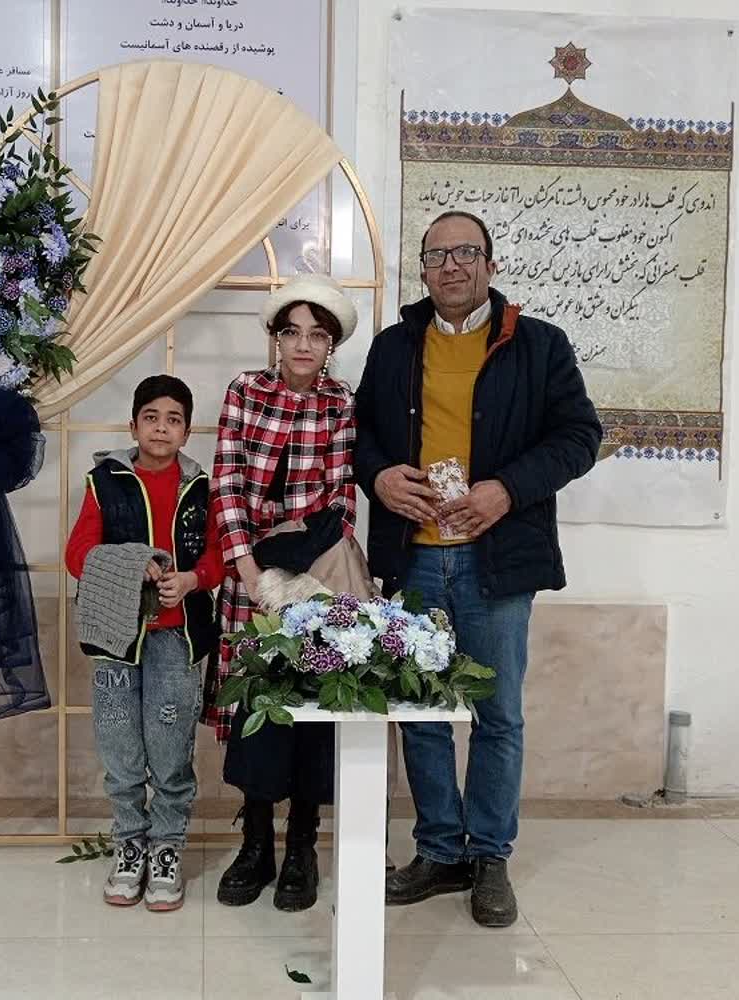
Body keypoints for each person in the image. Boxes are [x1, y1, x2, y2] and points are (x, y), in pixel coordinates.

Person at [354, 210, 602, 926]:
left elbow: (580, 436)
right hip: (414, 557)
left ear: (490, 265)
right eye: (436, 255)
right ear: (423, 272)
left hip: (497, 559)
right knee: (423, 713)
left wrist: (507, 489)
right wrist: (378, 477)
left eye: (465, 252)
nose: (451, 266)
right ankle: (439, 851)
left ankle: (490, 854)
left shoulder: (539, 345)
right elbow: (359, 433)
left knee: (497, 715)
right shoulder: (395, 346)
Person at [204, 273, 359, 912]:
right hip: (252, 576)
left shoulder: (340, 402)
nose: (302, 345)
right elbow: (226, 482)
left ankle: (302, 844)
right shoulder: (246, 391)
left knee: (310, 705)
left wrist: (306, 583)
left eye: (316, 335)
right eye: (292, 332)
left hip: (313, 579)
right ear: (275, 339)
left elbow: (341, 495)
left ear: (330, 346)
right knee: (258, 706)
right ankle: (256, 842)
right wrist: (249, 572)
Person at [65, 374, 224, 911]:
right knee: (120, 750)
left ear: (187, 432)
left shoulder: (201, 487)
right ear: (132, 426)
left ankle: (167, 848)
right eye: (151, 417)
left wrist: (192, 580)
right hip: (116, 638)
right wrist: (133, 565)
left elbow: (218, 556)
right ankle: (129, 845)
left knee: (170, 748)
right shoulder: (103, 481)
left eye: (173, 419)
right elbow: (77, 554)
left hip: (177, 639)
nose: (161, 428)